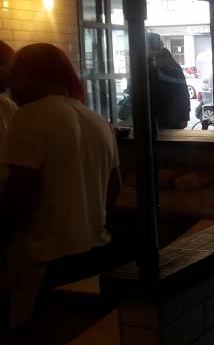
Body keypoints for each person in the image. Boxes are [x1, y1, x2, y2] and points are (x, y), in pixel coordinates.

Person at [0, 44, 122, 329]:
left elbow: (19, 195)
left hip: (44, 261)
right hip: (94, 254)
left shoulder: (29, 117)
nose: (11, 85)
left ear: (34, 75)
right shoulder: (96, 120)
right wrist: (88, 220)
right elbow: (114, 185)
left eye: (16, 76)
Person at [147, 33, 190, 129]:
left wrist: (184, 116)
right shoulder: (173, 65)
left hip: (165, 116)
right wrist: (184, 116)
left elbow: (182, 92)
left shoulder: (156, 66)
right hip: (170, 115)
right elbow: (183, 92)